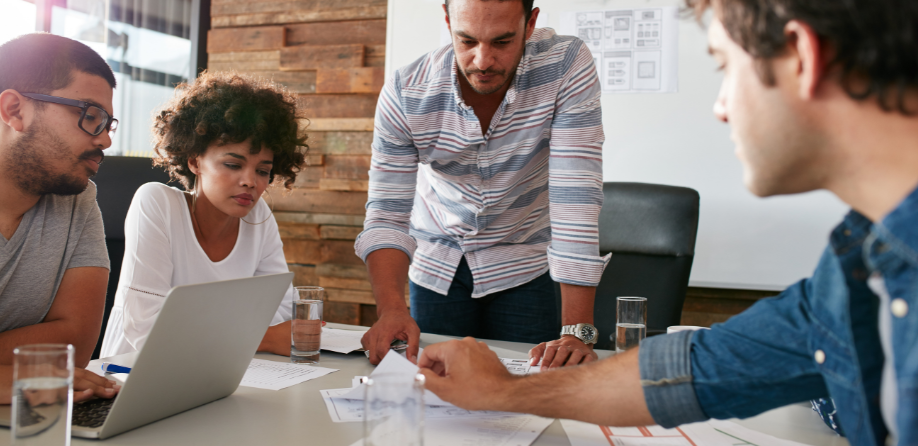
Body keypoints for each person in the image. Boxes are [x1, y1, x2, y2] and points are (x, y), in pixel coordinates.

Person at [417, 0, 918, 444]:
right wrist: (506, 390)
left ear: (801, 57)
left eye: (725, 66)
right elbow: (699, 368)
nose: (721, 108)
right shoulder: (856, 267)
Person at [356, 0, 609, 367]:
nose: (483, 60)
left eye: (503, 42)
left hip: (523, 261)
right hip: (437, 264)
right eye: (467, 40)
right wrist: (391, 309)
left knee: (528, 393)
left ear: (530, 23)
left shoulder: (565, 65)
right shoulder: (406, 93)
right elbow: (386, 215)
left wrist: (577, 331)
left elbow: (576, 198)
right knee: (436, 391)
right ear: (447, 21)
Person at [99, 71, 308, 358]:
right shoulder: (156, 203)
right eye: (233, 165)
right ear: (195, 161)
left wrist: (223, 332)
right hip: (130, 376)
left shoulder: (258, 217)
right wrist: (264, 338)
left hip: (223, 368)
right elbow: (149, 332)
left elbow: (283, 312)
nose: (251, 181)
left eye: (262, 170)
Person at [0, 33, 122, 403]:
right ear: (15, 111)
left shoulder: (78, 199)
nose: (105, 141)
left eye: (107, 123)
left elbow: (75, 346)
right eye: (90, 116)